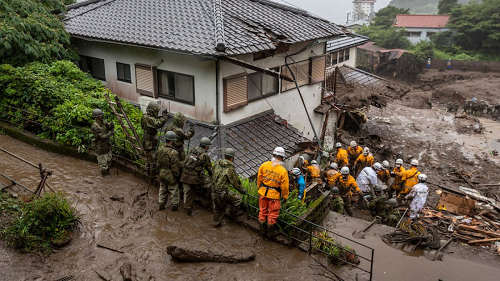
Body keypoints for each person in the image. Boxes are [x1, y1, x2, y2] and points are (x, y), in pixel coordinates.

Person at [257, 147, 289, 238]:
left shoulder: (264, 165)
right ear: (282, 158)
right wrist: (285, 197)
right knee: (273, 214)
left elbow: (259, 179)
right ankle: (270, 234)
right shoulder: (283, 171)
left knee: (262, 211)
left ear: (273, 155)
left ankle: (262, 232)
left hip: (263, 193)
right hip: (274, 196)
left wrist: (259, 188)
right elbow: (285, 187)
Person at [211, 148, 247, 227]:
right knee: (238, 199)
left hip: (213, 190)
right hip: (222, 193)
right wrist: (243, 190)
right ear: (232, 158)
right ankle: (232, 213)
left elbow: (212, 173)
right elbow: (236, 183)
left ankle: (216, 222)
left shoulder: (217, 164)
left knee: (218, 208)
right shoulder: (230, 169)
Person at [179, 137, 213, 216]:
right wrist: (213, 177)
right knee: (205, 186)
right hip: (194, 178)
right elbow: (209, 169)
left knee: (186, 192)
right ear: (206, 147)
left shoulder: (192, 150)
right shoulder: (204, 156)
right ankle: (189, 208)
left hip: (184, 175)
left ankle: (186, 206)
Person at [157, 131, 181, 211]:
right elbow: (175, 167)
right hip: (170, 175)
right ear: (171, 141)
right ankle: (174, 206)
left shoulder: (160, 149)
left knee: (162, 189)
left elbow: (157, 161)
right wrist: (177, 175)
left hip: (162, 173)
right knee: (174, 190)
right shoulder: (173, 152)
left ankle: (161, 204)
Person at [141, 102, 167, 176]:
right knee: (152, 158)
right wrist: (164, 117)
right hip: (149, 141)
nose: (157, 113)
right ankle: (151, 174)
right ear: (152, 111)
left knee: (149, 158)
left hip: (149, 139)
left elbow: (155, 121)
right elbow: (158, 124)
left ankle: (149, 172)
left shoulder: (145, 116)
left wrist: (161, 117)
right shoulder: (149, 118)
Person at [91, 108, 115, 176]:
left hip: (107, 145)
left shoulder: (104, 122)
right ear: (97, 117)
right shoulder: (94, 127)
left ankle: (108, 174)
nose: (102, 117)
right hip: (101, 147)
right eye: (100, 116)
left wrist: (111, 126)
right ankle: (104, 177)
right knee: (103, 165)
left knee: (109, 160)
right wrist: (111, 133)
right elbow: (102, 137)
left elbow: (109, 127)